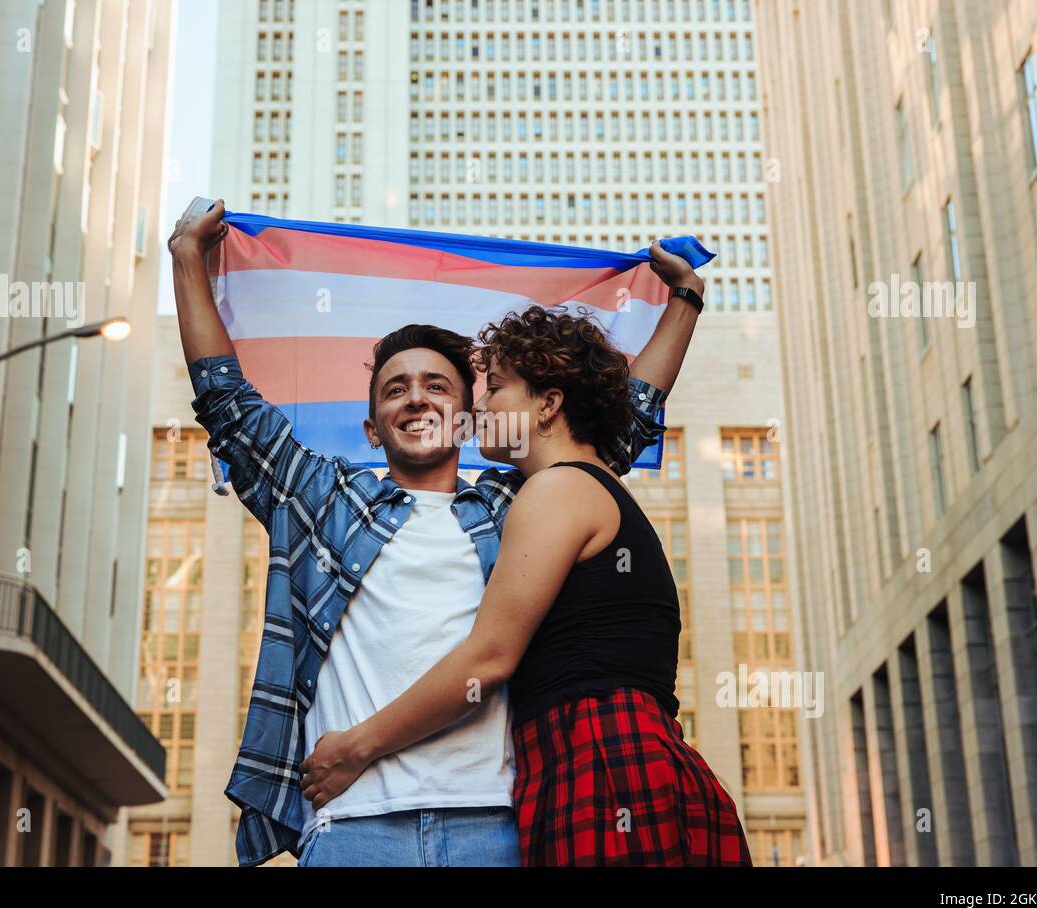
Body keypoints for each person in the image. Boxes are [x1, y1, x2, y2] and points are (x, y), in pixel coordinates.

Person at [167, 199, 702, 866]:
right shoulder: (321, 499)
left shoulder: (521, 503)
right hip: (353, 823)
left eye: (437, 386)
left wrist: (684, 300)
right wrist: (187, 257)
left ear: (467, 420)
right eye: (394, 389)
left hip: (498, 826)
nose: (415, 397)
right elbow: (229, 407)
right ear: (371, 429)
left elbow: (619, 422)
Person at [300, 303, 752, 866]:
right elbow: (625, 411)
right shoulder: (584, 480)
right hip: (615, 757)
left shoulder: (556, 490)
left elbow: (489, 659)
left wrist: (355, 746)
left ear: (548, 404)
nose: (479, 407)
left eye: (496, 389)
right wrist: (683, 304)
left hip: (601, 763)